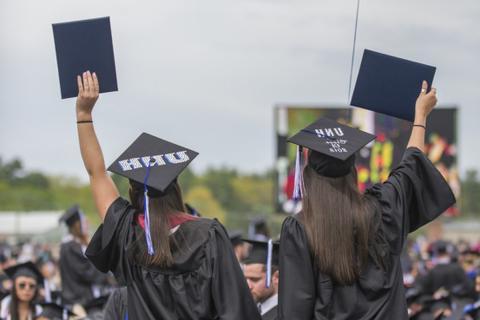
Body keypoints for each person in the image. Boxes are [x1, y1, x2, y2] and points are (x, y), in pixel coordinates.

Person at [75, 71, 260, 319]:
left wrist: (84, 115)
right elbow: (236, 309)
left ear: (133, 192)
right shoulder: (208, 235)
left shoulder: (126, 232)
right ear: (175, 188)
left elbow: (96, 173)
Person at [278, 81, 456, 319]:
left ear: (308, 176)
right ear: (354, 173)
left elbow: (294, 310)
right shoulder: (382, 210)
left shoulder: (300, 229)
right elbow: (410, 167)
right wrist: (420, 116)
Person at [58, 205, 108, 307]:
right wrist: (107, 274)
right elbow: (87, 272)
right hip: (78, 300)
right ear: (77, 225)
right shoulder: (70, 246)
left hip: (83, 298)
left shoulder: (76, 244)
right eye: (84, 222)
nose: (87, 225)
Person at [243, 240, 279, 320]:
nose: (248, 286)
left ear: (276, 277)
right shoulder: (249, 310)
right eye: (245, 279)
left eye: (254, 279)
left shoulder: (286, 314)